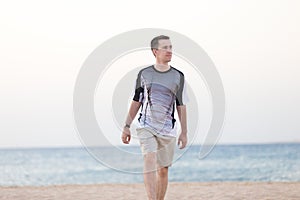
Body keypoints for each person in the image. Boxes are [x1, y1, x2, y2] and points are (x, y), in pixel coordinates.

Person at [121, 35, 188, 200]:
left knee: (163, 170)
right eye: (165, 47)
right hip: (146, 126)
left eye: (171, 47)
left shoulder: (178, 76)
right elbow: (137, 100)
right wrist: (127, 126)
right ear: (155, 51)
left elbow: (181, 105)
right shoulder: (144, 74)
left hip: (168, 129)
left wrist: (184, 132)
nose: (169, 51)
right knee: (149, 159)